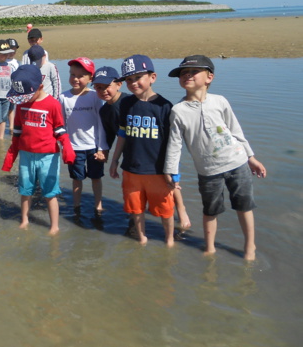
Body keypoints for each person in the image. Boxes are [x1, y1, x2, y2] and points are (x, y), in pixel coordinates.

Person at [164, 55, 266, 261]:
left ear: (209, 77)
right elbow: (174, 144)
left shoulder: (220, 101)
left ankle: (249, 247)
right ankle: (209, 248)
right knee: (210, 210)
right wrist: (171, 171)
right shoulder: (178, 111)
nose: (187, 76)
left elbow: (236, 132)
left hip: (237, 163)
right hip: (208, 171)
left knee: (244, 206)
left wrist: (251, 157)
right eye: (183, 73)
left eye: (193, 72)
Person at [108, 54, 185, 247]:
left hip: (157, 171)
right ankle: (141, 238)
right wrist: (115, 160)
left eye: (138, 77)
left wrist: (174, 174)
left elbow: (173, 144)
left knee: (165, 210)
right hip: (131, 169)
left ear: (152, 77)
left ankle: (169, 241)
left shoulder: (165, 106)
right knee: (136, 208)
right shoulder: (125, 103)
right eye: (129, 79)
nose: (133, 83)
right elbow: (122, 134)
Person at [2, 65, 76, 235]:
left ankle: (54, 226)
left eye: (27, 96)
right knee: (25, 189)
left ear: (40, 86)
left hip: (48, 156)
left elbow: (59, 129)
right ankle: (25, 219)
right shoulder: (21, 103)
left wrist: (67, 147)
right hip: (26, 155)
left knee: (50, 191)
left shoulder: (52, 104)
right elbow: (18, 131)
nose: (23, 99)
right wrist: (11, 154)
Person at [59, 58, 108, 219]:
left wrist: (102, 148)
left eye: (81, 76)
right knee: (76, 179)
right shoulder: (63, 97)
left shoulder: (95, 97)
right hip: (74, 147)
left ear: (90, 78)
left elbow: (101, 123)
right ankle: (76, 205)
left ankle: (98, 204)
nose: (76, 78)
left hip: (93, 147)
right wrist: (64, 146)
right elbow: (61, 124)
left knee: (96, 177)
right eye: (73, 74)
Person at [5, 38, 21, 135]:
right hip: (3, 89)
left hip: (13, 89)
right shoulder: (3, 61)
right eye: (10, 50)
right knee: (4, 108)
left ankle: (11, 126)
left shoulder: (16, 62)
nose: (12, 52)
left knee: (11, 108)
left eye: (14, 50)